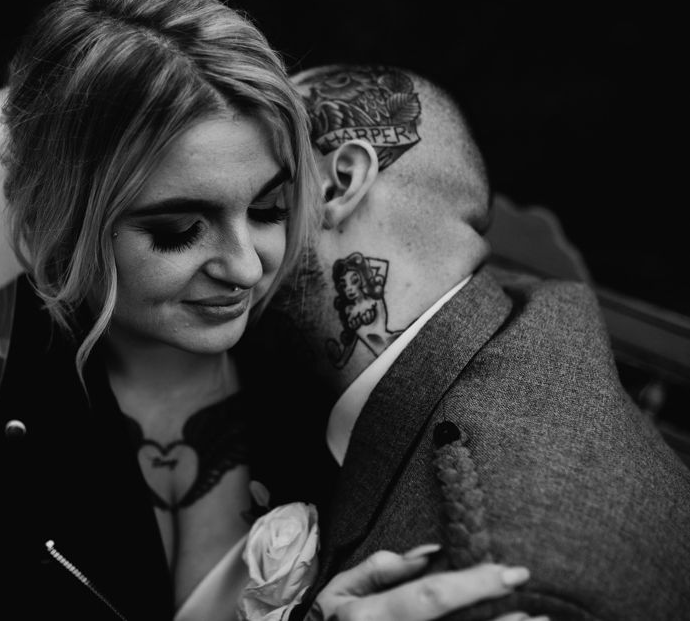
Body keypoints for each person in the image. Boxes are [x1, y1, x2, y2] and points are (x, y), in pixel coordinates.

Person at [0, 0, 542, 621]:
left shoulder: (314, 367)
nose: (247, 268)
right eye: (178, 230)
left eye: (269, 208)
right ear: (59, 222)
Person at [257, 64, 690, 621]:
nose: (231, 255)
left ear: (338, 182)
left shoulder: (496, 587)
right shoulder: (509, 331)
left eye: (259, 199)